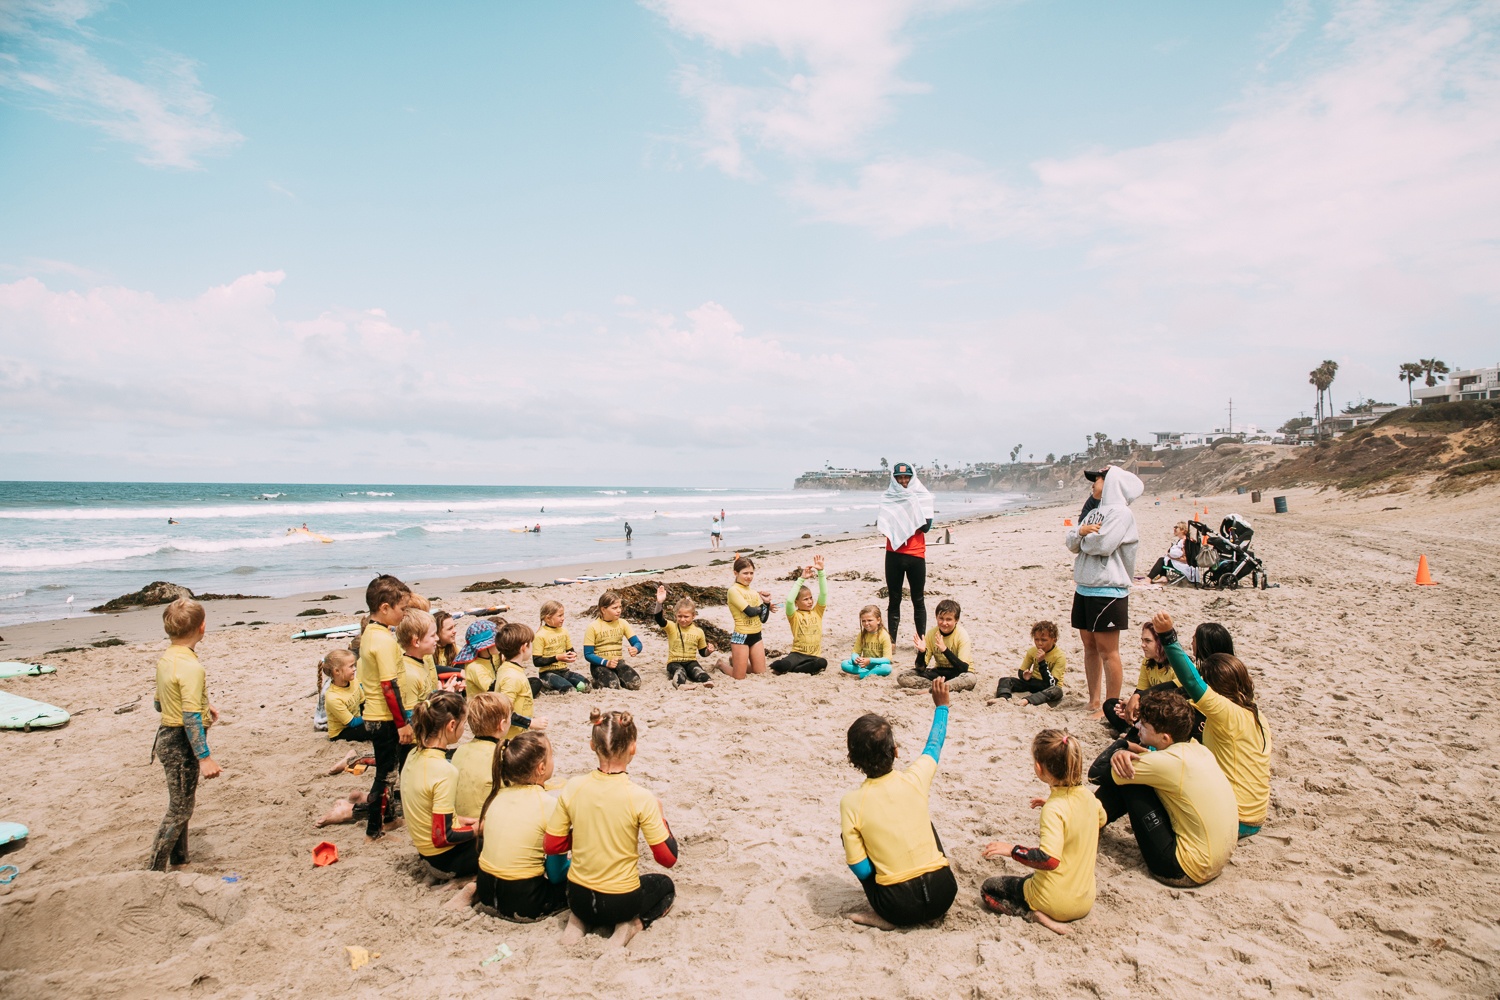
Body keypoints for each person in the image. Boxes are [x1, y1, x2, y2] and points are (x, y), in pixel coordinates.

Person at [545, 709, 679, 948]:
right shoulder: (640, 798)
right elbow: (667, 858)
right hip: (620, 902)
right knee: (664, 885)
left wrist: (586, 833)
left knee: (583, 896)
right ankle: (631, 926)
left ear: (592, 746)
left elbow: (552, 845)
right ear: (633, 747)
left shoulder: (574, 787)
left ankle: (578, 923)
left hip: (577, 897)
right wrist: (661, 819)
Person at [841, 678, 958, 929]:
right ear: (895, 751)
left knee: (850, 836)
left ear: (853, 759)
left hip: (898, 907)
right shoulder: (915, 778)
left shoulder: (851, 803)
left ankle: (883, 917)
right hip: (944, 893)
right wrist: (942, 706)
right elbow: (934, 745)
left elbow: (860, 870)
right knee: (923, 820)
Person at [1094, 690, 1238, 886]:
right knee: (1133, 773)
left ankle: (1088, 821)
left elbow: (1096, 773)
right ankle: (1092, 818)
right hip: (1216, 860)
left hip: (1182, 868)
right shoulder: (1199, 749)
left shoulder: (1169, 762)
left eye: (1143, 725)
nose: (1136, 726)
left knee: (1129, 777)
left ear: (1165, 738)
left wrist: (1122, 745)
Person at [1150, 613, 1271, 837]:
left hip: (1236, 817)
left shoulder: (1226, 713)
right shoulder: (1256, 714)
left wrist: (1168, 636)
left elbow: (1191, 680)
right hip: (1255, 815)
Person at [980, 730, 1106, 935]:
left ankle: (1035, 916)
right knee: (1031, 877)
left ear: (1039, 768)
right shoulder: (1089, 798)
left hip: (1055, 903)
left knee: (989, 889)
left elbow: (1048, 860)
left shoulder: (1054, 809)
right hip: (1084, 901)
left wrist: (1011, 850)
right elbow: (1101, 819)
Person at [148, 597, 221, 871]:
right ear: (202, 628)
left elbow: (159, 703)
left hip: (167, 736)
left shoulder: (167, 658)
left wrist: (203, 706)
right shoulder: (192, 667)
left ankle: (180, 859)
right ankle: (154, 868)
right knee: (179, 810)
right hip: (180, 741)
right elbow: (189, 718)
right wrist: (204, 757)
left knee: (184, 804)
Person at [1064, 466, 1144, 720]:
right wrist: (1080, 533)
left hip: (1109, 589)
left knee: (1108, 651)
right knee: (1089, 646)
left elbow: (1103, 545)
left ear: (1111, 483)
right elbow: (1071, 543)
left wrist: (1083, 537)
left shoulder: (1122, 513)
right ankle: (1093, 700)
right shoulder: (1096, 512)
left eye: (1097, 479)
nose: (1093, 483)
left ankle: (1109, 706)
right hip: (1085, 587)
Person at [474, 732, 571, 922]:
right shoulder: (547, 804)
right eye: (551, 756)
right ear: (541, 768)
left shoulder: (497, 796)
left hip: (485, 889)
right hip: (524, 901)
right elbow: (556, 874)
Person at [355, 574, 413, 840]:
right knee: (386, 775)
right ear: (385, 608)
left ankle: (389, 819)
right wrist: (402, 723)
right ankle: (373, 830)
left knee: (389, 770)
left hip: (375, 714)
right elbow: (390, 686)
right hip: (384, 716)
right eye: (402, 609)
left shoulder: (370, 632)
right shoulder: (385, 641)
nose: (405, 614)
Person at [401, 691, 479, 878]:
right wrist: (477, 829)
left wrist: (458, 820)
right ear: (452, 725)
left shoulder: (413, 754)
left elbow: (426, 809)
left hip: (425, 852)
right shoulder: (444, 770)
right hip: (445, 859)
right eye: (464, 723)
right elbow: (443, 837)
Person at [878, 462, 933, 650]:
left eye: (906, 477)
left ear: (912, 477)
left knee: (918, 599)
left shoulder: (922, 496)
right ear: (894, 478)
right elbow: (884, 523)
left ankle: (922, 640)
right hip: (893, 554)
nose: (903, 481)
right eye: (899, 477)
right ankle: (892, 641)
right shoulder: (888, 497)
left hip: (916, 554)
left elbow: (926, 526)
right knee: (894, 599)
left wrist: (911, 505)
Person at [1102, 623, 1179, 736]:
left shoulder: (1176, 665)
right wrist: (1130, 708)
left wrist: (1140, 709)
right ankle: (1132, 729)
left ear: (1161, 642)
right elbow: (1140, 691)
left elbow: (1175, 702)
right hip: (1147, 708)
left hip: (1168, 712)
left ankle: (1133, 731)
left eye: (1148, 641)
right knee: (1111, 705)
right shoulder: (1147, 662)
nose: (1143, 645)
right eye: (1142, 640)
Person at [452, 692, 512, 820]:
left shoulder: (460, 750)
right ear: (502, 725)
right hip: (486, 823)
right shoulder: (502, 754)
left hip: (460, 819)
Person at [897, 598, 976, 691]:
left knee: (970, 679)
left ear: (956, 620)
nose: (944, 623)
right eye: (941, 619)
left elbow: (963, 668)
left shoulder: (962, 635)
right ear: (936, 617)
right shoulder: (931, 634)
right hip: (940, 672)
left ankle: (935, 688)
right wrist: (922, 652)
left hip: (959, 674)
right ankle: (937, 687)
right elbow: (920, 668)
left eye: (949, 619)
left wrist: (945, 650)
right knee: (902, 676)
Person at [771, 556, 828, 675]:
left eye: (811, 598)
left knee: (822, 663)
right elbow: (789, 601)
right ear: (797, 603)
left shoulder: (817, 611)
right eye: (805, 599)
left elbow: (823, 593)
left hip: (814, 656)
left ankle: (797, 669)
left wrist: (821, 572)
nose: (810, 601)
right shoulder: (794, 615)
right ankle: (792, 667)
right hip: (797, 654)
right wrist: (801, 579)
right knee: (783, 665)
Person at [653, 586, 717, 687]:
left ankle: (707, 682)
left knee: (698, 671)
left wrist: (709, 651)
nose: (683, 619)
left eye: (686, 617)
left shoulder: (698, 632)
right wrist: (659, 602)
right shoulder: (671, 627)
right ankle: (680, 685)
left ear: (693, 616)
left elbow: (702, 652)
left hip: (691, 661)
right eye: (680, 616)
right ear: (675, 615)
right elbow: (658, 618)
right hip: (674, 662)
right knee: (680, 671)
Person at [994, 620, 1066, 706]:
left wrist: (1042, 662)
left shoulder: (1060, 656)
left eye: (1044, 640)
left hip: (1048, 687)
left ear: (1054, 640)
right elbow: (1021, 671)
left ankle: (1026, 701)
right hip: (1034, 682)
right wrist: (1024, 676)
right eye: (1036, 639)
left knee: (1057, 691)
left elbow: (1051, 683)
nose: (1039, 643)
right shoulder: (1032, 651)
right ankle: (1003, 697)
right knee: (1005, 680)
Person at [725, 556, 774, 679]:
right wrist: (762, 608)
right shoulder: (733, 591)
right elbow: (750, 612)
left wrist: (767, 604)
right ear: (736, 573)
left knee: (760, 672)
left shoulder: (754, 592)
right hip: (741, 637)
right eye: (745, 573)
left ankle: (735, 662)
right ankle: (721, 664)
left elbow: (763, 619)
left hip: (756, 636)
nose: (749, 576)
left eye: (751, 573)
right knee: (739, 677)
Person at [583, 590, 643, 690]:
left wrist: (636, 649)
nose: (619, 610)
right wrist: (606, 662)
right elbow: (588, 654)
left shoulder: (623, 623)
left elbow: (637, 643)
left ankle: (616, 676)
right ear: (603, 609)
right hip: (599, 665)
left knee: (635, 683)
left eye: (620, 607)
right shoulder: (593, 627)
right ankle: (597, 681)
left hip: (618, 663)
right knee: (613, 686)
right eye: (614, 608)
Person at [492, 623, 541, 740]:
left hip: (516, 735)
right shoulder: (512, 676)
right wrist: (530, 722)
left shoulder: (507, 667)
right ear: (524, 647)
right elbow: (504, 711)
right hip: (511, 738)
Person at [534, 601, 589, 694]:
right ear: (548, 618)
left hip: (564, 671)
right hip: (547, 673)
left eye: (563, 615)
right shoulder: (540, 635)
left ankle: (562, 685)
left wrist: (572, 655)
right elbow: (537, 661)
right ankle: (547, 687)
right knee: (569, 690)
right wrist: (557, 658)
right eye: (559, 616)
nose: (563, 618)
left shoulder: (564, 631)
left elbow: (570, 650)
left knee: (585, 686)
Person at [320, 650, 366, 742]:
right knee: (376, 728)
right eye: (351, 666)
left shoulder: (354, 681)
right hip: (342, 732)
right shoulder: (333, 697)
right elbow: (352, 723)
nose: (354, 669)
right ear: (337, 671)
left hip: (357, 719)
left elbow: (363, 702)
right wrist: (372, 716)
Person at [840, 604, 893, 678]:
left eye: (870, 620)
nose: (866, 623)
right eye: (863, 621)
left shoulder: (884, 635)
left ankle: (863, 675)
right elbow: (855, 652)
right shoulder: (862, 634)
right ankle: (869, 673)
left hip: (878, 665)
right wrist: (855, 659)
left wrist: (870, 660)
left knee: (887, 668)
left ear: (878, 620)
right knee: (844, 664)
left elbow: (887, 659)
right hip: (864, 665)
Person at [459, 620, 504, 700]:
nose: (499, 643)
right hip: (480, 710)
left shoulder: (488, 659)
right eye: (495, 641)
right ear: (484, 647)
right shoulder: (475, 667)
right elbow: (493, 689)